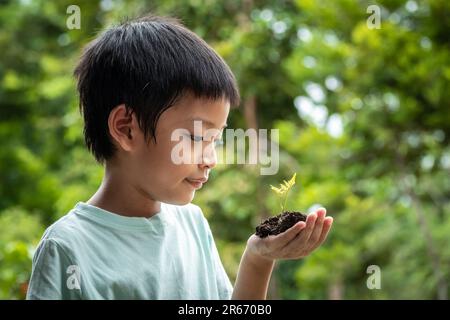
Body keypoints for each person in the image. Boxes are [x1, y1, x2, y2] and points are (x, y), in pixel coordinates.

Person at [26, 15, 333, 300]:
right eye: (197, 137)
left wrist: (258, 258)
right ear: (126, 128)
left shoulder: (193, 224)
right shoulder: (67, 248)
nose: (210, 159)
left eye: (214, 140)